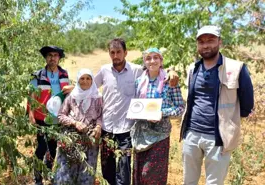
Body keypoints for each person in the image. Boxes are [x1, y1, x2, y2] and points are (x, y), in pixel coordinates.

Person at [94, 38, 179, 185]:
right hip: (107, 129)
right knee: (107, 170)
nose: (115, 56)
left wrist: (171, 71)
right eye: (112, 52)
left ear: (125, 53)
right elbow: (90, 87)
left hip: (126, 130)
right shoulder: (104, 71)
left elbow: (156, 68)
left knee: (124, 172)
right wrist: (73, 88)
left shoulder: (137, 71)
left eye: (119, 52)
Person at [180, 25, 254, 185]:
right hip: (191, 135)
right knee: (188, 181)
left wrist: (228, 122)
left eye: (210, 40)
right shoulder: (193, 68)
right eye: (201, 41)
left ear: (220, 42)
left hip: (219, 139)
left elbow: (247, 105)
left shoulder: (237, 68)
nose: (205, 45)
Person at [131, 48, 185, 185]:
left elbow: (180, 108)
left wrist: (162, 113)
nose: (152, 61)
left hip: (160, 134)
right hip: (141, 134)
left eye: (156, 57)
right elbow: (137, 106)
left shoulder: (170, 81)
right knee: (139, 175)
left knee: (151, 174)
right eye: (148, 58)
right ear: (144, 61)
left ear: (161, 61)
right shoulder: (139, 81)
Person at [27, 46, 73, 185]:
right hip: (42, 117)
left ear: (59, 58)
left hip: (58, 117)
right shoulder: (38, 75)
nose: (52, 58)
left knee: (54, 148)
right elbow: (32, 95)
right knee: (41, 148)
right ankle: (38, 178)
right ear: (46, 58)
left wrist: (70, 88)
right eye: (49, 55)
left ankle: (50, 173)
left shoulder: (64, 74)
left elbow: (69, 92)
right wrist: (30, 113)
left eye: (55, 55)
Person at [54, 68, 102, 185]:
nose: (85, 81)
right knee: (66, 172)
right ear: (78, 80)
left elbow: (101, 116)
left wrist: (98, 127)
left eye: (88, 78)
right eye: (82, 78)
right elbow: (61, 115)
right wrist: (74, 123)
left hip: (89, 140)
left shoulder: (98, 97)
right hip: (71, 139)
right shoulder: (71, 96)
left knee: (86, 173)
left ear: (92, 81)